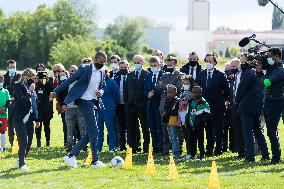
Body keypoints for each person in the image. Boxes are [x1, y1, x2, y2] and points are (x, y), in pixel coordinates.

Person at [50, 51, 107, 168]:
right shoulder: (85, 68)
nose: (102, 64)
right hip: (84, 102)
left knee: (90, 132)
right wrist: (55, 91)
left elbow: (103, 85)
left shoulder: (102, 70)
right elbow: (69, 80)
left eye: (104, 63)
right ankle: (94, 161)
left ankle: (71, 156)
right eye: (100, 62)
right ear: (95, 60)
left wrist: (101, 91)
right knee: (94, 131)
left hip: (94, 102)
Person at [236, 58, 270, 163]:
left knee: (247, 132)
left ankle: (250, 156)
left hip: (247, 107)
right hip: (257, 107)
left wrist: (236, 101)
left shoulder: (248, 73)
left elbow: (241, 89)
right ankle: (265, 155)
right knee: (258, 131)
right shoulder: (258, 75)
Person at [197, 53, 230, 156]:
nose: (208, 63)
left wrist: (221, 101)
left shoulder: (220, 75)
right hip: (205, 106)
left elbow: (226, 90)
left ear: (215, 62)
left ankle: (218, 149)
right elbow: (198, 89)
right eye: (206, 61)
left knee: (218, 129)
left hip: (217, 106)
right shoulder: (201, 74)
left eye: (210, 61)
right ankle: (209, 149)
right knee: (208, 129)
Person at [13, 68, 39, 171]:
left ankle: (20, 160)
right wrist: (29, 91)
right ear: (28, 76)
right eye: (33, 77)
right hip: (19, 117)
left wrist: (37, 119)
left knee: (29, 141)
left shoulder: (30, 86)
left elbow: (35, 103)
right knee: (23, 140)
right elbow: (22, 100)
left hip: (29, 118)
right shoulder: (17, 85)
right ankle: (21, 164)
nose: (34, 79)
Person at [156, 55, 183, 155]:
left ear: (175, 64)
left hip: (175, 106)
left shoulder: (180, 75)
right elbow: (159, 86)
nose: (169, 65)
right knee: (164, 129)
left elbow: (179, 87)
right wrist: (167, 86)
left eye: (171, 63)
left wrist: (167, 86)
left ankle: (178, 150)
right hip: (164, 105)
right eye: (167, 63)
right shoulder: (163, 75)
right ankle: (165, 151)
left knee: (176, 130)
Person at [262, 48, 284, 164]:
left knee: (271, 130)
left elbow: (266, 82)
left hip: (277, 101)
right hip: (269, 101)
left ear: (276, 56)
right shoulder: (272, 68)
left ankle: (276, 157)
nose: (268, 59)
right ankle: (276, 156)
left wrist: (261, 73)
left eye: (270, 56)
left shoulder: (280, 69)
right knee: (270, 131)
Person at [125, 55, 150, 153]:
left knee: (144, 127)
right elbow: (126, 90)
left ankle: (146, 148)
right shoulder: (130, 75)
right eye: (135, 62)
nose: (136, 64)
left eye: (138, 62)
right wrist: (127, 103)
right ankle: (133, 147)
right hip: (131, 106)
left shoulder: (146, 74)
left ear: (142, 62)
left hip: (142, 105)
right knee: (132, 127)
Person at [62, 65, 86, 152]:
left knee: (82, 128)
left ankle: (84, 146)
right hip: (69, 108)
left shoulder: (83, 82)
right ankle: (69, 145)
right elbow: (62, 94)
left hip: (80, 108)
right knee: (69, 128)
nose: (73, 72)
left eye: (75, 71)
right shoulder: (66, 82)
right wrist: (63, 104)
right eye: (72, 71)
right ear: (69, 72)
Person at [144, 56, 164, 154]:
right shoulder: (148, 75)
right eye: (152, 66)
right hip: (150, 106)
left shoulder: (163, 75)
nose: (153, 67)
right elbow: (145, 89)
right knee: (152, 128)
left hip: (160, 105)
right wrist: (147, 94)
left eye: (155, 65)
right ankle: (154, 147)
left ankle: (161, 147)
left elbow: (164, 89)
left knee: (160, 128)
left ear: (159, 65)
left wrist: (154, 93)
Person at [185, 86, 210, 160]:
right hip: (191, 124)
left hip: (199, 125)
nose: (194, 94)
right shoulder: (190, 101)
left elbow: (207, 114)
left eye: (196, 93)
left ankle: (202, 155)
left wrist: (201, 121)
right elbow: (188, 112)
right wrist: (187, 121)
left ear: (200, 93)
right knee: (191, 140)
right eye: (193, 92)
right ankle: (193, 154)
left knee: (200, 140)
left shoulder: (204, 102)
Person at [97, 71, 118, 153]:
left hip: (109, 109)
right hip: (98, 109)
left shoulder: (111, 81)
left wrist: (113, 105)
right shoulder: (95, 82)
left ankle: (112, 147)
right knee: (99, 130)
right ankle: (98, 148)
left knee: (111, 129)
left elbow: (116, 94)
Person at [35, 64, 54, 148]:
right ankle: (38, 142)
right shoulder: (35, 79)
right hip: (37, 106)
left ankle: (48, 142)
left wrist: (46, 81)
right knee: (38, 125)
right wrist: (36, 82)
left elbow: (52, 90)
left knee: (47, 125)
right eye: (39, 70)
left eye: (42, 70)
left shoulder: (49, 79)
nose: (40, 72)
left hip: (47, 106)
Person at [3, 60, 21, 147]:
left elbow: (18, 87)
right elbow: (4, 88)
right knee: (9, 124)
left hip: (17, 102)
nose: (12, 68)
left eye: (14, 67)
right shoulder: (4, 77)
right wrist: (10, 87)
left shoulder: (19, 76)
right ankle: (11, 143)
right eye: (11, 67)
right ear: (7, 67)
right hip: (8, 103)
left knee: (17, 123)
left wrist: (9, 87)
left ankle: (19, 142)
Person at [114, 59, 129, 151]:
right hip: (119, 105)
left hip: (128, 105)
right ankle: (122, 145)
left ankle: (133, 145)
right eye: (121, 68)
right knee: (121, 126)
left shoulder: (131, 77)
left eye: (125, 67)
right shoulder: (116, 78)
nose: (123, 69)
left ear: (128, 67)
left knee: (131, 126)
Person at [161, 84, 180, 158]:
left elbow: (174, 111)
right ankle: (173, 151)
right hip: (167, 121)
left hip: (173, 120)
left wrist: (167, 113)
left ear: (175, 92)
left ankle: (175, 153)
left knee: (174, 137)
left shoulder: (177, 101)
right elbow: (164, 110)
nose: (169, 94)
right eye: (168, 92)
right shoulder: (166, 100)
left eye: (170, 92)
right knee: (170, 137)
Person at [52, 63, 68, 147]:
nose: (58, 72)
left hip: (69, 103)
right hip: (60, 104)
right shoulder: (55, 81)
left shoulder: (67, 77)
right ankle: (66, 142)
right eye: (56, 71)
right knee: (65, 124)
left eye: (59, 70)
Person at [178, 75, 194, 159]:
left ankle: (192, 153)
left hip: (189, 117)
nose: (185, 85)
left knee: (190, 136)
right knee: (186, 136)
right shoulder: (183, 92)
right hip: (182, 117)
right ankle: (189, 153)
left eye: (187, 83)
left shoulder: (192, 94)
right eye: (183, 83)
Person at [0, 74, 11, 152]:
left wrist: (4, 108)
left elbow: (8, 101)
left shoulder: (6, 91)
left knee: (3, 130)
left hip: (4, 114)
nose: (1, 81)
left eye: (2, 80)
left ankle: (3, 147)